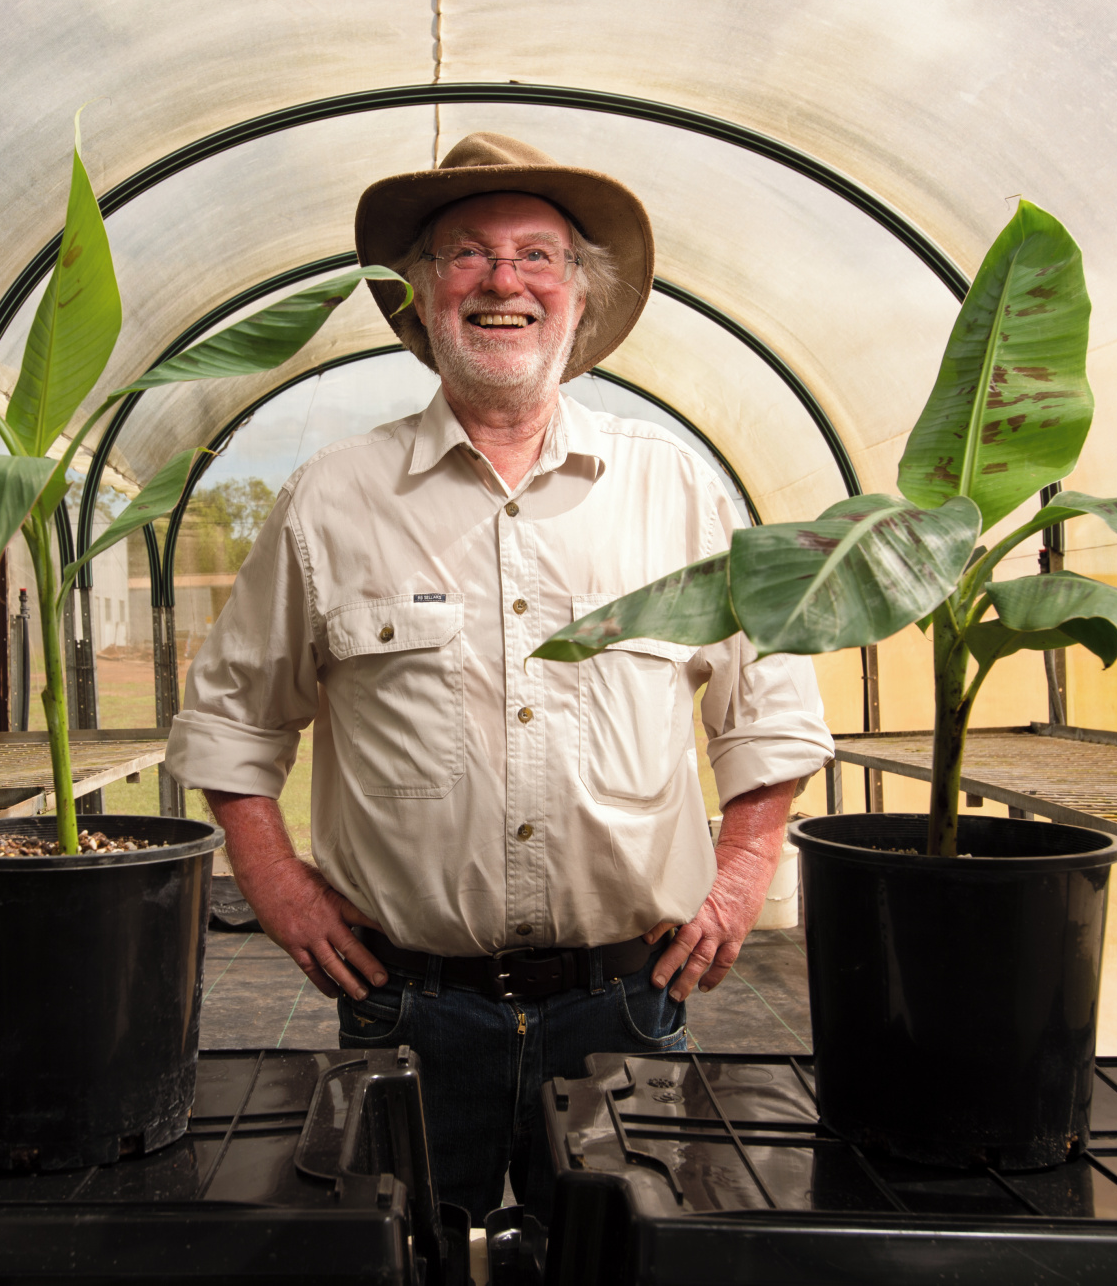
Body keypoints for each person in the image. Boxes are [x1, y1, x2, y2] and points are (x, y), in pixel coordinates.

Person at [164, 133, 833, 1222]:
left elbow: (767, 708)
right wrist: (276, 886)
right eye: (465, 254)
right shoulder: (331, 498)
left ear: (577, 296)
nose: (501, 280)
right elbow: (233, 718)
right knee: (411, 1253)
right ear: (422, 296)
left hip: (626, 994)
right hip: (407, 1003)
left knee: (618, 1254)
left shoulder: (672, 489)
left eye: (536, 255)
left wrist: (744, 862)